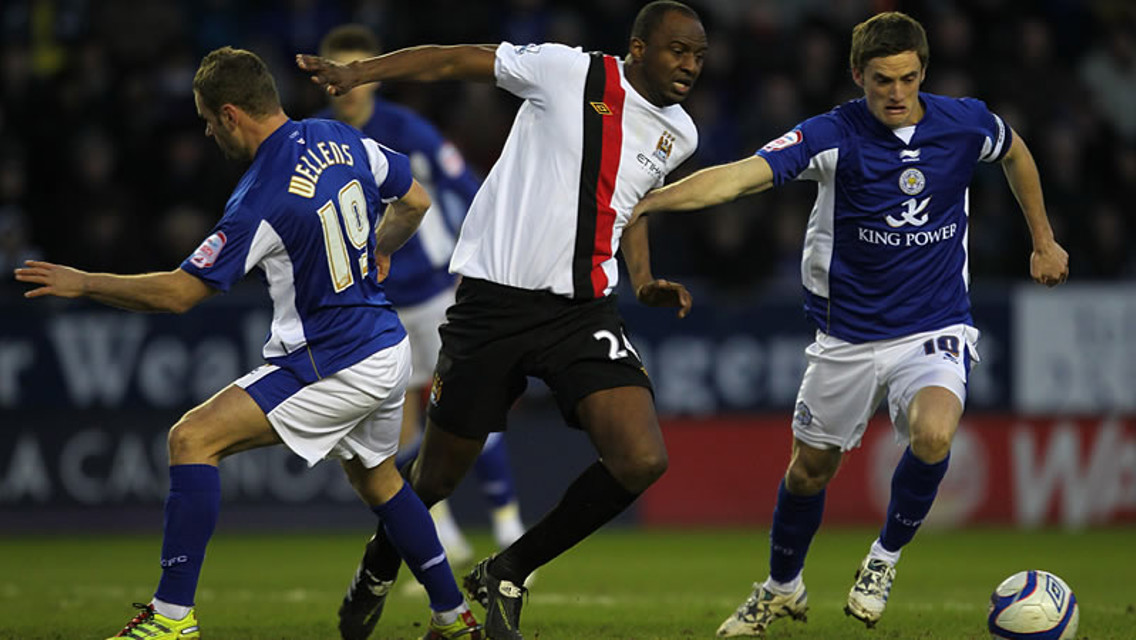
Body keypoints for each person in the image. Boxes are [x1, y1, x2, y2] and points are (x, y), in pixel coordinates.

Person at [15, 46, 483, 640]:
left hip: (333, 358)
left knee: (192, 439)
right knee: (380, 479)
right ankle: (455, 616)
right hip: (387, 347)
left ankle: (170, 618)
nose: (209, 132)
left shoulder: (260, 195)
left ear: (232, 113)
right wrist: (380, 247)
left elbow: (180, 294)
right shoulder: (342, 137)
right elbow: (414, 199)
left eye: (209, 120)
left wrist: (84, 283)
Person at [630, 11, 1069, 637]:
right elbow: (740, 177)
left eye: (908, 79)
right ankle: (781, 588)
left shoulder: (965, 121)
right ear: (857, 75)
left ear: (923, 72)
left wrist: (1043, 241)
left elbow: (1016, 150)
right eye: (882, 80)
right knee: (809, 471)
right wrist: (652, 200)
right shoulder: (832, 135)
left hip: (934, 326)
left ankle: (883, 560)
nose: (896, 93)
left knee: (936, 434)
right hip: (848, 338)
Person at [297, 2, 705, 638]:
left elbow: (633, 203)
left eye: (699, 55)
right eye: (678, 49)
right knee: (434, 476)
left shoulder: (680, 134)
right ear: (638, 48)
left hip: (581, 309)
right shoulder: (565, 71)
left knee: (642, 459)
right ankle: (378, 566)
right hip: (493, 303)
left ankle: (507, 570)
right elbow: (458, 58)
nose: (690, 64)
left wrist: (645, 277)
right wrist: (360, 74)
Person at [315, 24, 527, 575]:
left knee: (465, 407)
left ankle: (507, 521)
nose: (354, 88)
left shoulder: (407, 130)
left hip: (436, 294)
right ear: (330, 81)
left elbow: (471, 189)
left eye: (363, 72)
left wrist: (481, 261)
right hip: (374, 304)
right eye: (345, 73)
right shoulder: (319, 142)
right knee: (401, 426)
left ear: (374, 79)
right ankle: (442, 530)